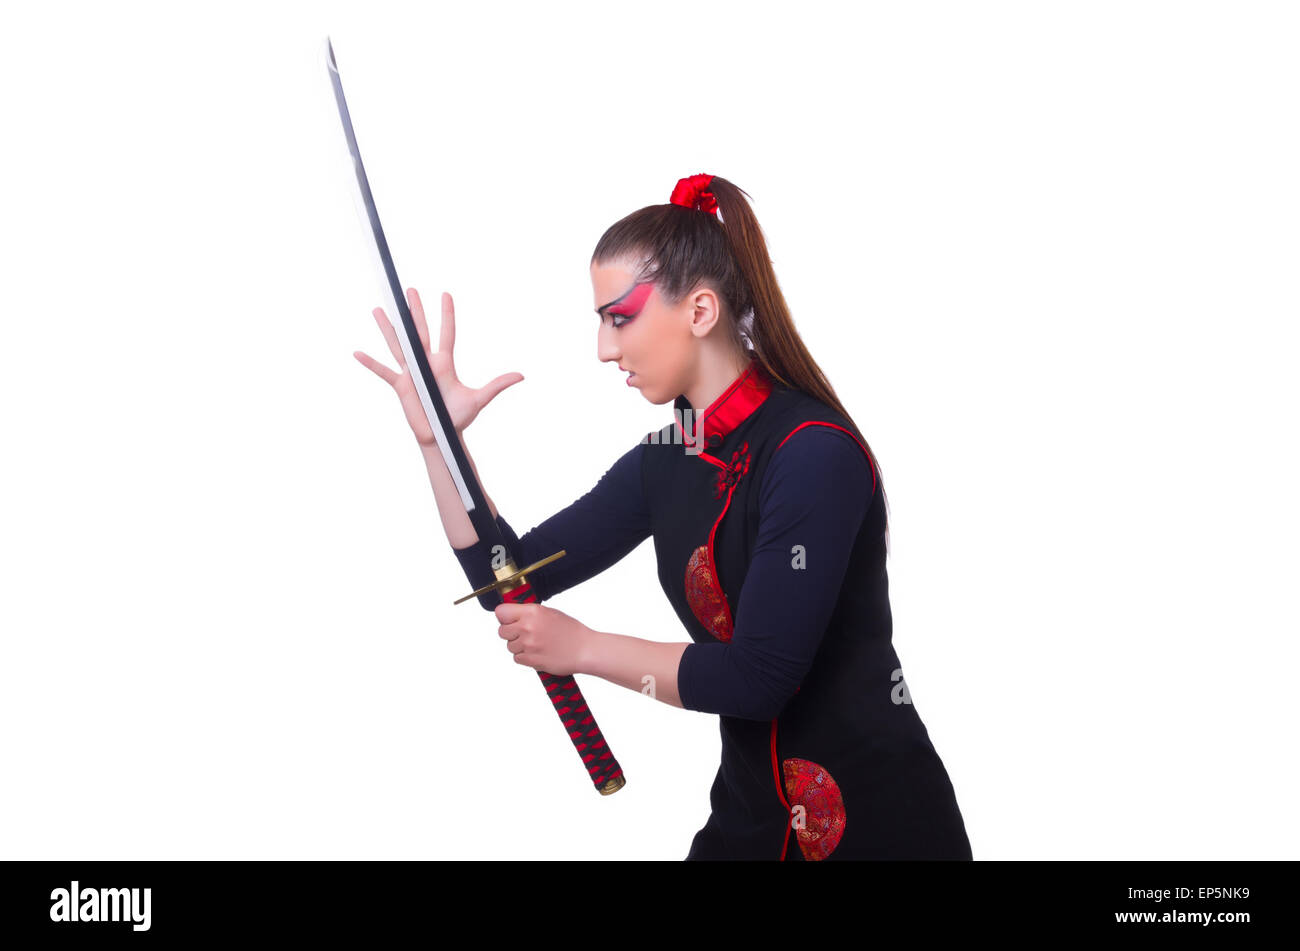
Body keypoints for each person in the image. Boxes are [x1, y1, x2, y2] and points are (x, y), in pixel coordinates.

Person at [354, 173, 973, 861]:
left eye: (619, 316)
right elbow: (509, 578)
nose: (604, 347)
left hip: (879, 831)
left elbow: (759, 679)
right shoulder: (666, 459)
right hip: (748, 825)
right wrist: (440, 443)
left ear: (701, 309)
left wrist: (583, 647)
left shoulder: (814, 454)